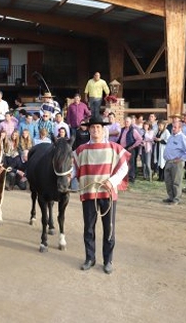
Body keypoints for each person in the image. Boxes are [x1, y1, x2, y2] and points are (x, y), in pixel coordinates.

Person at [73, 116, 130, 275]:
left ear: (103, 129)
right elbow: (73, 167)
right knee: (89, 227)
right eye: (93, 128)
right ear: (89, 130)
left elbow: (123, 168)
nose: (95, 130)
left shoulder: (114, 148)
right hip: (89, 192)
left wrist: (112, 181)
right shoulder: (81, 149)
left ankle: (108, 260)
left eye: (98, 127)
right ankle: (90, 258)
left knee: (109, 228)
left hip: (108, 193)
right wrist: (66, 177)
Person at [161, 121, 186, 205]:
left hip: (176, 163)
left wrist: (181, 159)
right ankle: (171, 197)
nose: (173, 129)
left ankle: (176, 199)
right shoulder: (171, 137)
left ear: (180, 128)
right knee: (168, 181)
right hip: (168, 161)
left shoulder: (182, 138)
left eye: (175, 127)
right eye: (173, 127)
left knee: (176, 181)